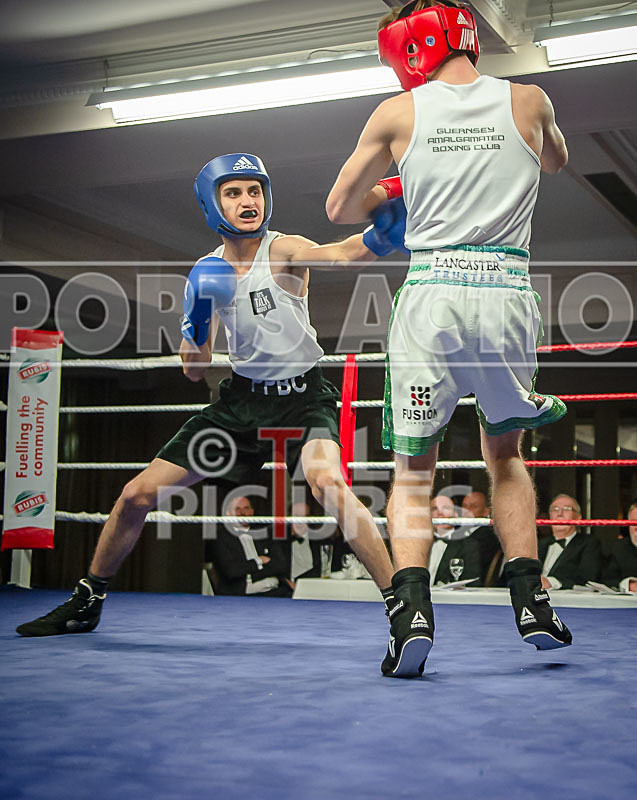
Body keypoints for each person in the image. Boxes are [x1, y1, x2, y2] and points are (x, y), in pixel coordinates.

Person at [16, 152, 402, 639]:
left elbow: (343, 254)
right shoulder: (205, 272)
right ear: (212, 203)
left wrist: (379, 237)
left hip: (304, 398)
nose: (248, 201)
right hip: (239, 403)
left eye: (255, 190)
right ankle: (87, 600)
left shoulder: (282, 250)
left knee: (327, 482)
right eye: (234, 192)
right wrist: (196, 319)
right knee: (136, 495)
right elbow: (195, 369)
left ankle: (399, 604)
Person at [326, 1, 572, 676]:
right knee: (504, 456)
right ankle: (530, 599)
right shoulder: (529, 99)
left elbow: (338, 208)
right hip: (506, 293)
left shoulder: (396, 113)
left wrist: (399, 184)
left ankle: (409, 616)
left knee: (412, 471)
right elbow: (555, 162)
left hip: (431, 295)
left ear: (410, 44)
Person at [205, 495, 292, 596]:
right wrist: (259, 560)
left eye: (246, 508)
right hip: (243, 596)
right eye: (237, 509)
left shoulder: (264, 534)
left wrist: (251, 574)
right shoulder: (221, 538)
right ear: (228, 514)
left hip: (276, 592)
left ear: (252, 512)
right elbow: (232, 571)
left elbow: (281, 565)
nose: (242, 513)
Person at [539, 494, 602, 589]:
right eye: (555, 509)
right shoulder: (539, 544)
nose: (560, 513)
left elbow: (587, 579)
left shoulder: (590, 543)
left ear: (578, 517)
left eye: (567, 509)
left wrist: (552, 582)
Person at [429, 494, 480, 586]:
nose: (439, 512)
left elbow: (472, 585)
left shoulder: (468, 545)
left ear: (456, 515)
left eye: (446, 508)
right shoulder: (419, 545)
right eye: (434, 509)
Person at [461, 490, 502, 585]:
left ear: (486, 511)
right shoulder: (460, 533)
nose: (467, 511)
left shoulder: (485, 537)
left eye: (473, 506)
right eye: (464, 506)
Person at [602, 502, 637, 592]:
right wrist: (629, 584)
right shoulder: (620, 548)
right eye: (633, 522)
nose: (636, 527)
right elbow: (607, 580)